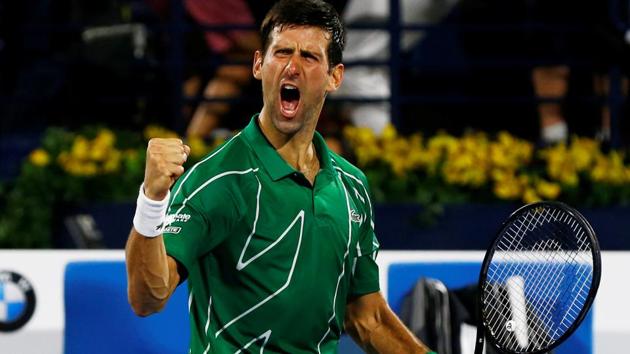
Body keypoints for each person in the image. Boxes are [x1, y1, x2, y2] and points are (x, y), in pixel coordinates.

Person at [125, 1, 435, 353]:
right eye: (282, 52)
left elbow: (367, 318)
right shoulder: (218, 180)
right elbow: (146, 298)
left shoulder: (353, 187)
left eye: (309, 57)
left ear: (335, 76)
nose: (292, 67)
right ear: (259, 64)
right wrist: (151, 200)